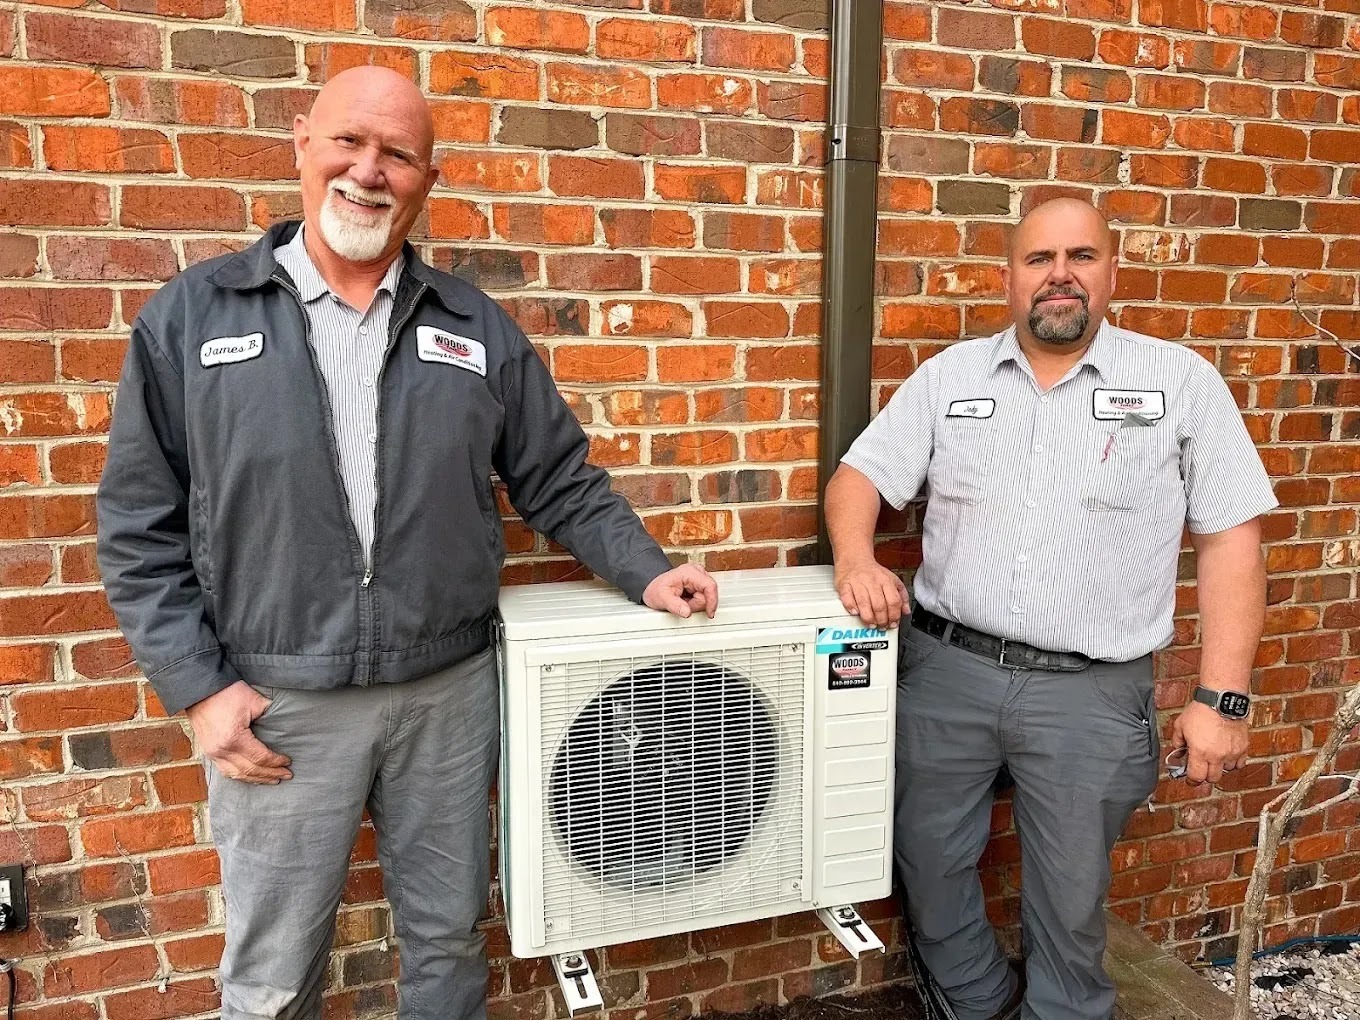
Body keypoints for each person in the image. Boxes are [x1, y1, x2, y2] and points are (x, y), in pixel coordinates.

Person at [96, 66, 718, 1020]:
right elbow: (139, 526)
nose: (368, 171)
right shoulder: (196, 317)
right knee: (270, 974)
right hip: (281, 703)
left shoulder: (471, 326)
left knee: (446, 940)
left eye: (398, 154)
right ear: (303, 140)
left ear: (428, 176)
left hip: (447, 697)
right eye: (349, 141)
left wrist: (646, 571)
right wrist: (199, 689)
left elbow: (556, 475)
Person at [824, 198, 1276, 1020]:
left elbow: (1232, 540)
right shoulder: (950, 378)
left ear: (1112, 272)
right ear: (1009, 277)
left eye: (1080, 256)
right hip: (946, 674)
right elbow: (859, 475)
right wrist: (856, 558)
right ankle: (976, 1001)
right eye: (1038, 259)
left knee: (1069, 897)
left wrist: (1223, 698)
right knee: (923, 856)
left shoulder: (1179, 383)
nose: (1059, 275)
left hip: (1090, 693)